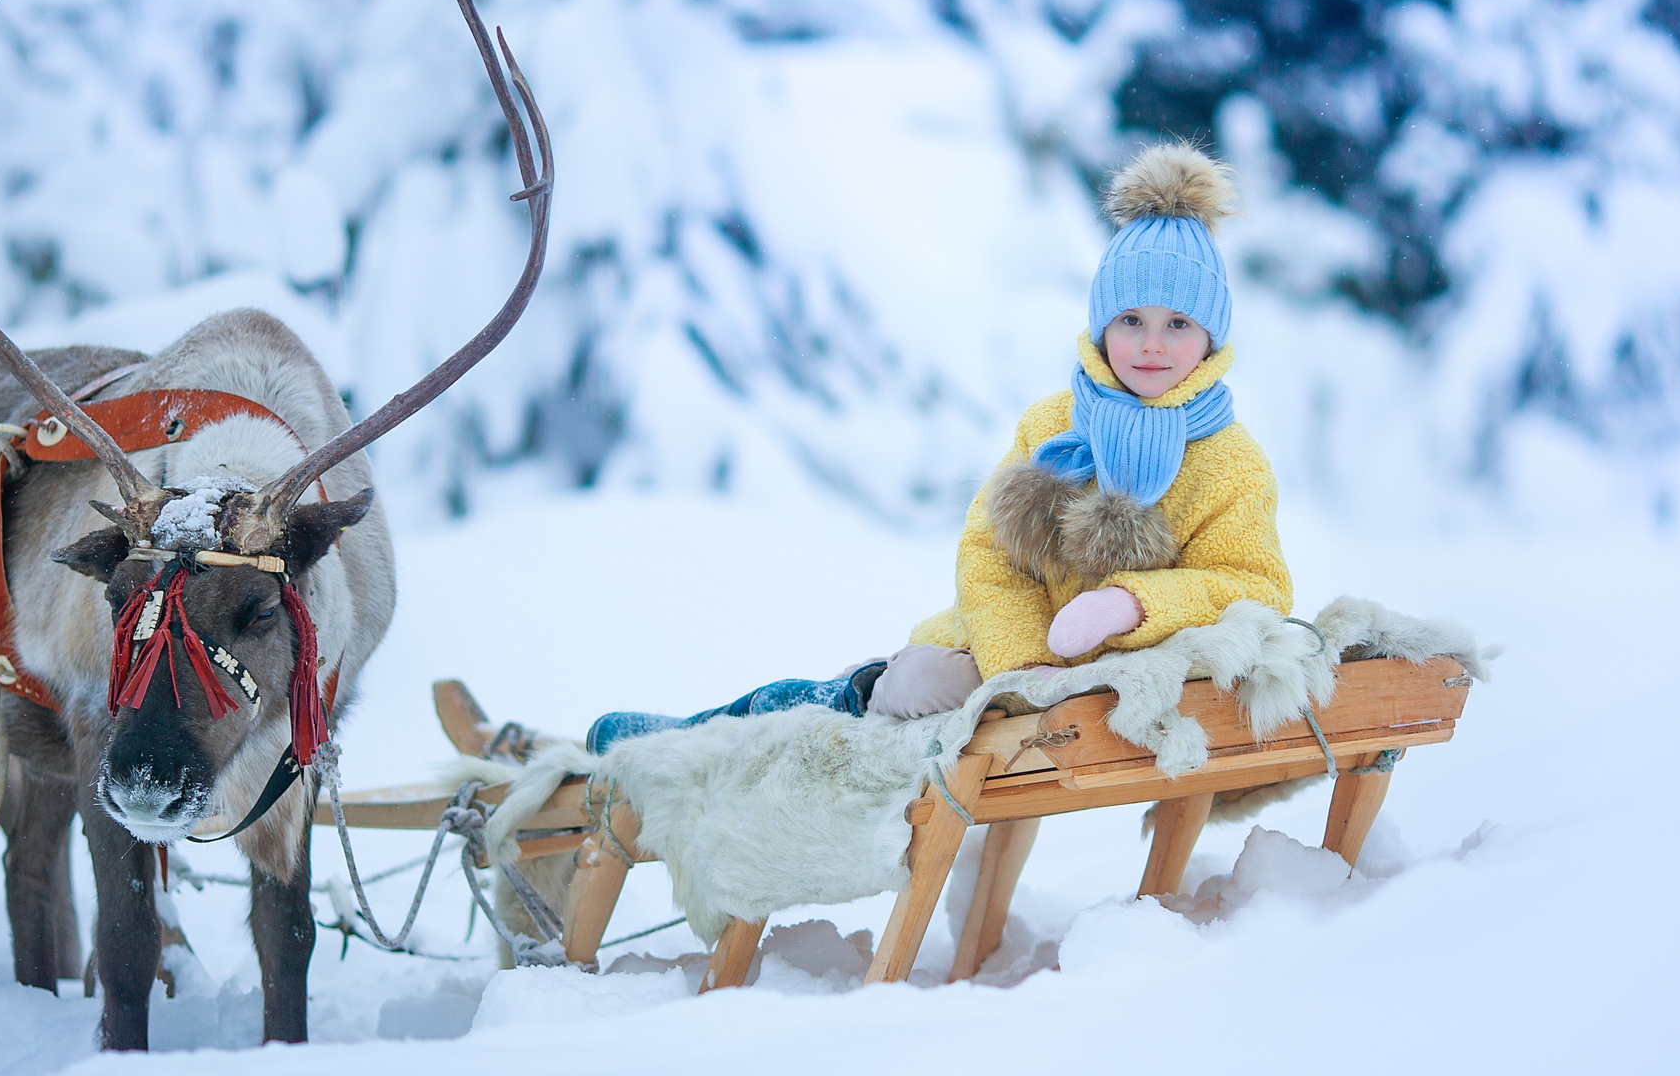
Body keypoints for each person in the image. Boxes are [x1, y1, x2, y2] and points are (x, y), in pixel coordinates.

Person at [436, 141, 1292, 761]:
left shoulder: (1228, 461)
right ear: (1102, 325)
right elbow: (989, 557)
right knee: (848, 707)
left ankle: (697, 737)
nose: (1151, 343)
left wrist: (1131, 607)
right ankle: (651, 746)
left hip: (1062, 695)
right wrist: (1023, 669)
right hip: (980, 664)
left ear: (1209, 333)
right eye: (1132, 320)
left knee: (883, 702)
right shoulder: (1053, 425)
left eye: (1177, 324)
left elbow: (1255, 585)